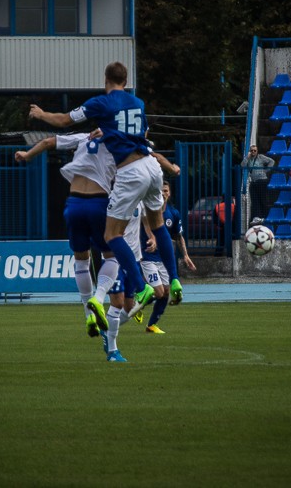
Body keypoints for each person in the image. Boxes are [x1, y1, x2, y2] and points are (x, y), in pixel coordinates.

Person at [29, 62, 185, 361]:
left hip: (126, 173)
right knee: (158, 226)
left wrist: (40, 114)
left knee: (110, 236)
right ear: (126, 80)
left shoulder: (100, 103)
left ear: (106, 80)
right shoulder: (137, 102)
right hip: (151, 168)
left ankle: (137, 288)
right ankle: (174, 280)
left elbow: (62, 122)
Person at [15, 132, 121, 339]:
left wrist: (26, 155)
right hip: (99, 202)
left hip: (74, 202)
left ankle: (88, 315)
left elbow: (46, 141)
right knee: (112, 255)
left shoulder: (83, 137)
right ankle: (98, 299)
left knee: (81, 260)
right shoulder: (117, 139)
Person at [139, 180, 196, 334]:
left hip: (163, 259)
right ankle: (137, 303)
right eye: (160, 191)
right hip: (148, 257)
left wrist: (185, 255)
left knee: (165, 293)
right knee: (158, 292)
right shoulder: (147, 210)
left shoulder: (173, 213)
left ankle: (151, 325)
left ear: (169, 194)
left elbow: (179, 236)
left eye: (165, 191)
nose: (163, 194)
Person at [242, 144, 275, 222]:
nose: (253, 152)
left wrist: (266, 170)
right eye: (251, 150)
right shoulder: (248, 159)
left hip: (262, 180)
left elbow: (272, 161)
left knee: (262, 199)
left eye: (255, 150)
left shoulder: (261, 157)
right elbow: (242, 165)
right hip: (253, 181)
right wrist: (247, 157)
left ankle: (265, 216)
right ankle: (257, 217)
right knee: (255, 200)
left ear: (257, 151)